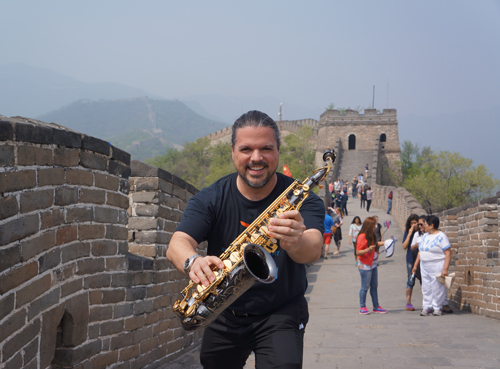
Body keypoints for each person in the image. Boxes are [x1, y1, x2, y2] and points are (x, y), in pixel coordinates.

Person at [166, 110, 324, 368]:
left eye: (266, 149)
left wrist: (296, 240)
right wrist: (193, 262)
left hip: (281, 311)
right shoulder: (211, 198)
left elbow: (313, 250)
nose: (256, 158)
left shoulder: (302, 198)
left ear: (278, 151)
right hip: (224, 310)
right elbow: (177, 244)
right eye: (246, 149)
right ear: (232, 152)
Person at [412, 215, 451, 317]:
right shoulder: (425, 236)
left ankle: (437, 307)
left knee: (437, 287)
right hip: (424, 264)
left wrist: (445, 269)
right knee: (426, 286)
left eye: (425, 224)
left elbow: (448, 253)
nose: (423, 226)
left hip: (437, 264)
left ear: (432, 225)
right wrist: (416, 265)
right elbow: (420, 251)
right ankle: (427, 306)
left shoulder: (442, 236)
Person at [356, 217, 388, 314]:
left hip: (373, 264)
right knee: (365, 286)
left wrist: (387, 242)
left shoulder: (372, 235)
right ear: (369, 226)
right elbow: (358, 252)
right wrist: (367, 250)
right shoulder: (362, 236)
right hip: (365, 265)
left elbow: (375, 244)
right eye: (374, 225)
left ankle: (376, 306)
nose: (376, 227)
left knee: (374, 286)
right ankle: (362, 307)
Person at [402, 214, 422, 311]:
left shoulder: (422, 232)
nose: (414, 225)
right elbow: (404, 246)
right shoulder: (408, 232)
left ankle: (425, 303)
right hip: (411, 259)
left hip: (422, 260)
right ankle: (408, 303)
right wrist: (409, 234)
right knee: (411, 281)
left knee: (424, 281)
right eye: (411, 223)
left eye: (415, 223)